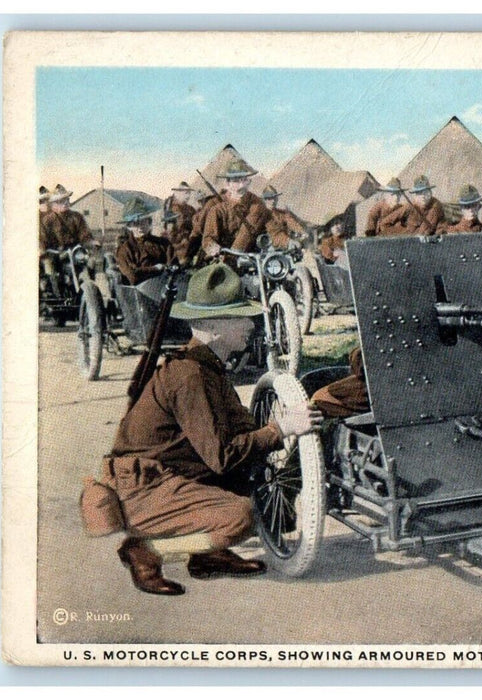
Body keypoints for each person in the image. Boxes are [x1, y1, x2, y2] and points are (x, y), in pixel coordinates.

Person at [89, 263, 323, 595]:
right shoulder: (190, 376)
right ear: (213, 326)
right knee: (239, 517)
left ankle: (207, 555)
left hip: (171, 473)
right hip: (142, 488)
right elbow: (222, 456)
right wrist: (280, 428)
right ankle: (145, 551)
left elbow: (235, 433)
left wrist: (273, 430)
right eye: (240, 317)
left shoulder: (207, 366)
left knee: (251, 466)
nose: (250, 324)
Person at [201, 158, 272, 257]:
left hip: (254, 260)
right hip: (225, 258)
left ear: (249, 181)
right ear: (227, 184)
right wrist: (213, 247)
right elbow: (208, 239)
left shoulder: (258, 205)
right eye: (236, 181)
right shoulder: (217, 211)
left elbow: (274, 228)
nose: (241, 185)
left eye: (244, 180)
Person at [115, 198, 173, 285]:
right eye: (135, 223)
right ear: (129, 226)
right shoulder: (125, 250)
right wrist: (155, 269)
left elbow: (174, 267)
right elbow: (132, 276)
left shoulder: (164, 244)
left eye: (143, 221)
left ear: (149, 222)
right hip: (140, 294)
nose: (140, 227)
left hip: (164, 289)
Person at [379, 175, 446, 235]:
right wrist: (402, 233)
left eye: (426, 192)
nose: (423, 196)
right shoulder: (410, 207)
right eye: (419, 193)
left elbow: (424, 232)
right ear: (415, 196)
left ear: (430, 193)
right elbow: (384, 224)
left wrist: (411, 232)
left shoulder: (436, 206)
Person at [41, 183, 95, 249]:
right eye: (61, 201)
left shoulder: (77, 217)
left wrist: (91, 242)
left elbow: (85, 235)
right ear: (52, 204)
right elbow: (42, 241)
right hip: (55, 255)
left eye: (67, 199)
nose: (65, 203)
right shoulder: (47, 221)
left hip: (76, 253)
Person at [262, 184, 308, 249]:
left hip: (283, 245)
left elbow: (291, 222)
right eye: (269, 199)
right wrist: (288, 241)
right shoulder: (262, 215)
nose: (273, 201)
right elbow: (274, 233)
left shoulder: (281, 213)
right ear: (265, 200)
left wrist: (302, 231)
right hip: (268, 247)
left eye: (274, 198)